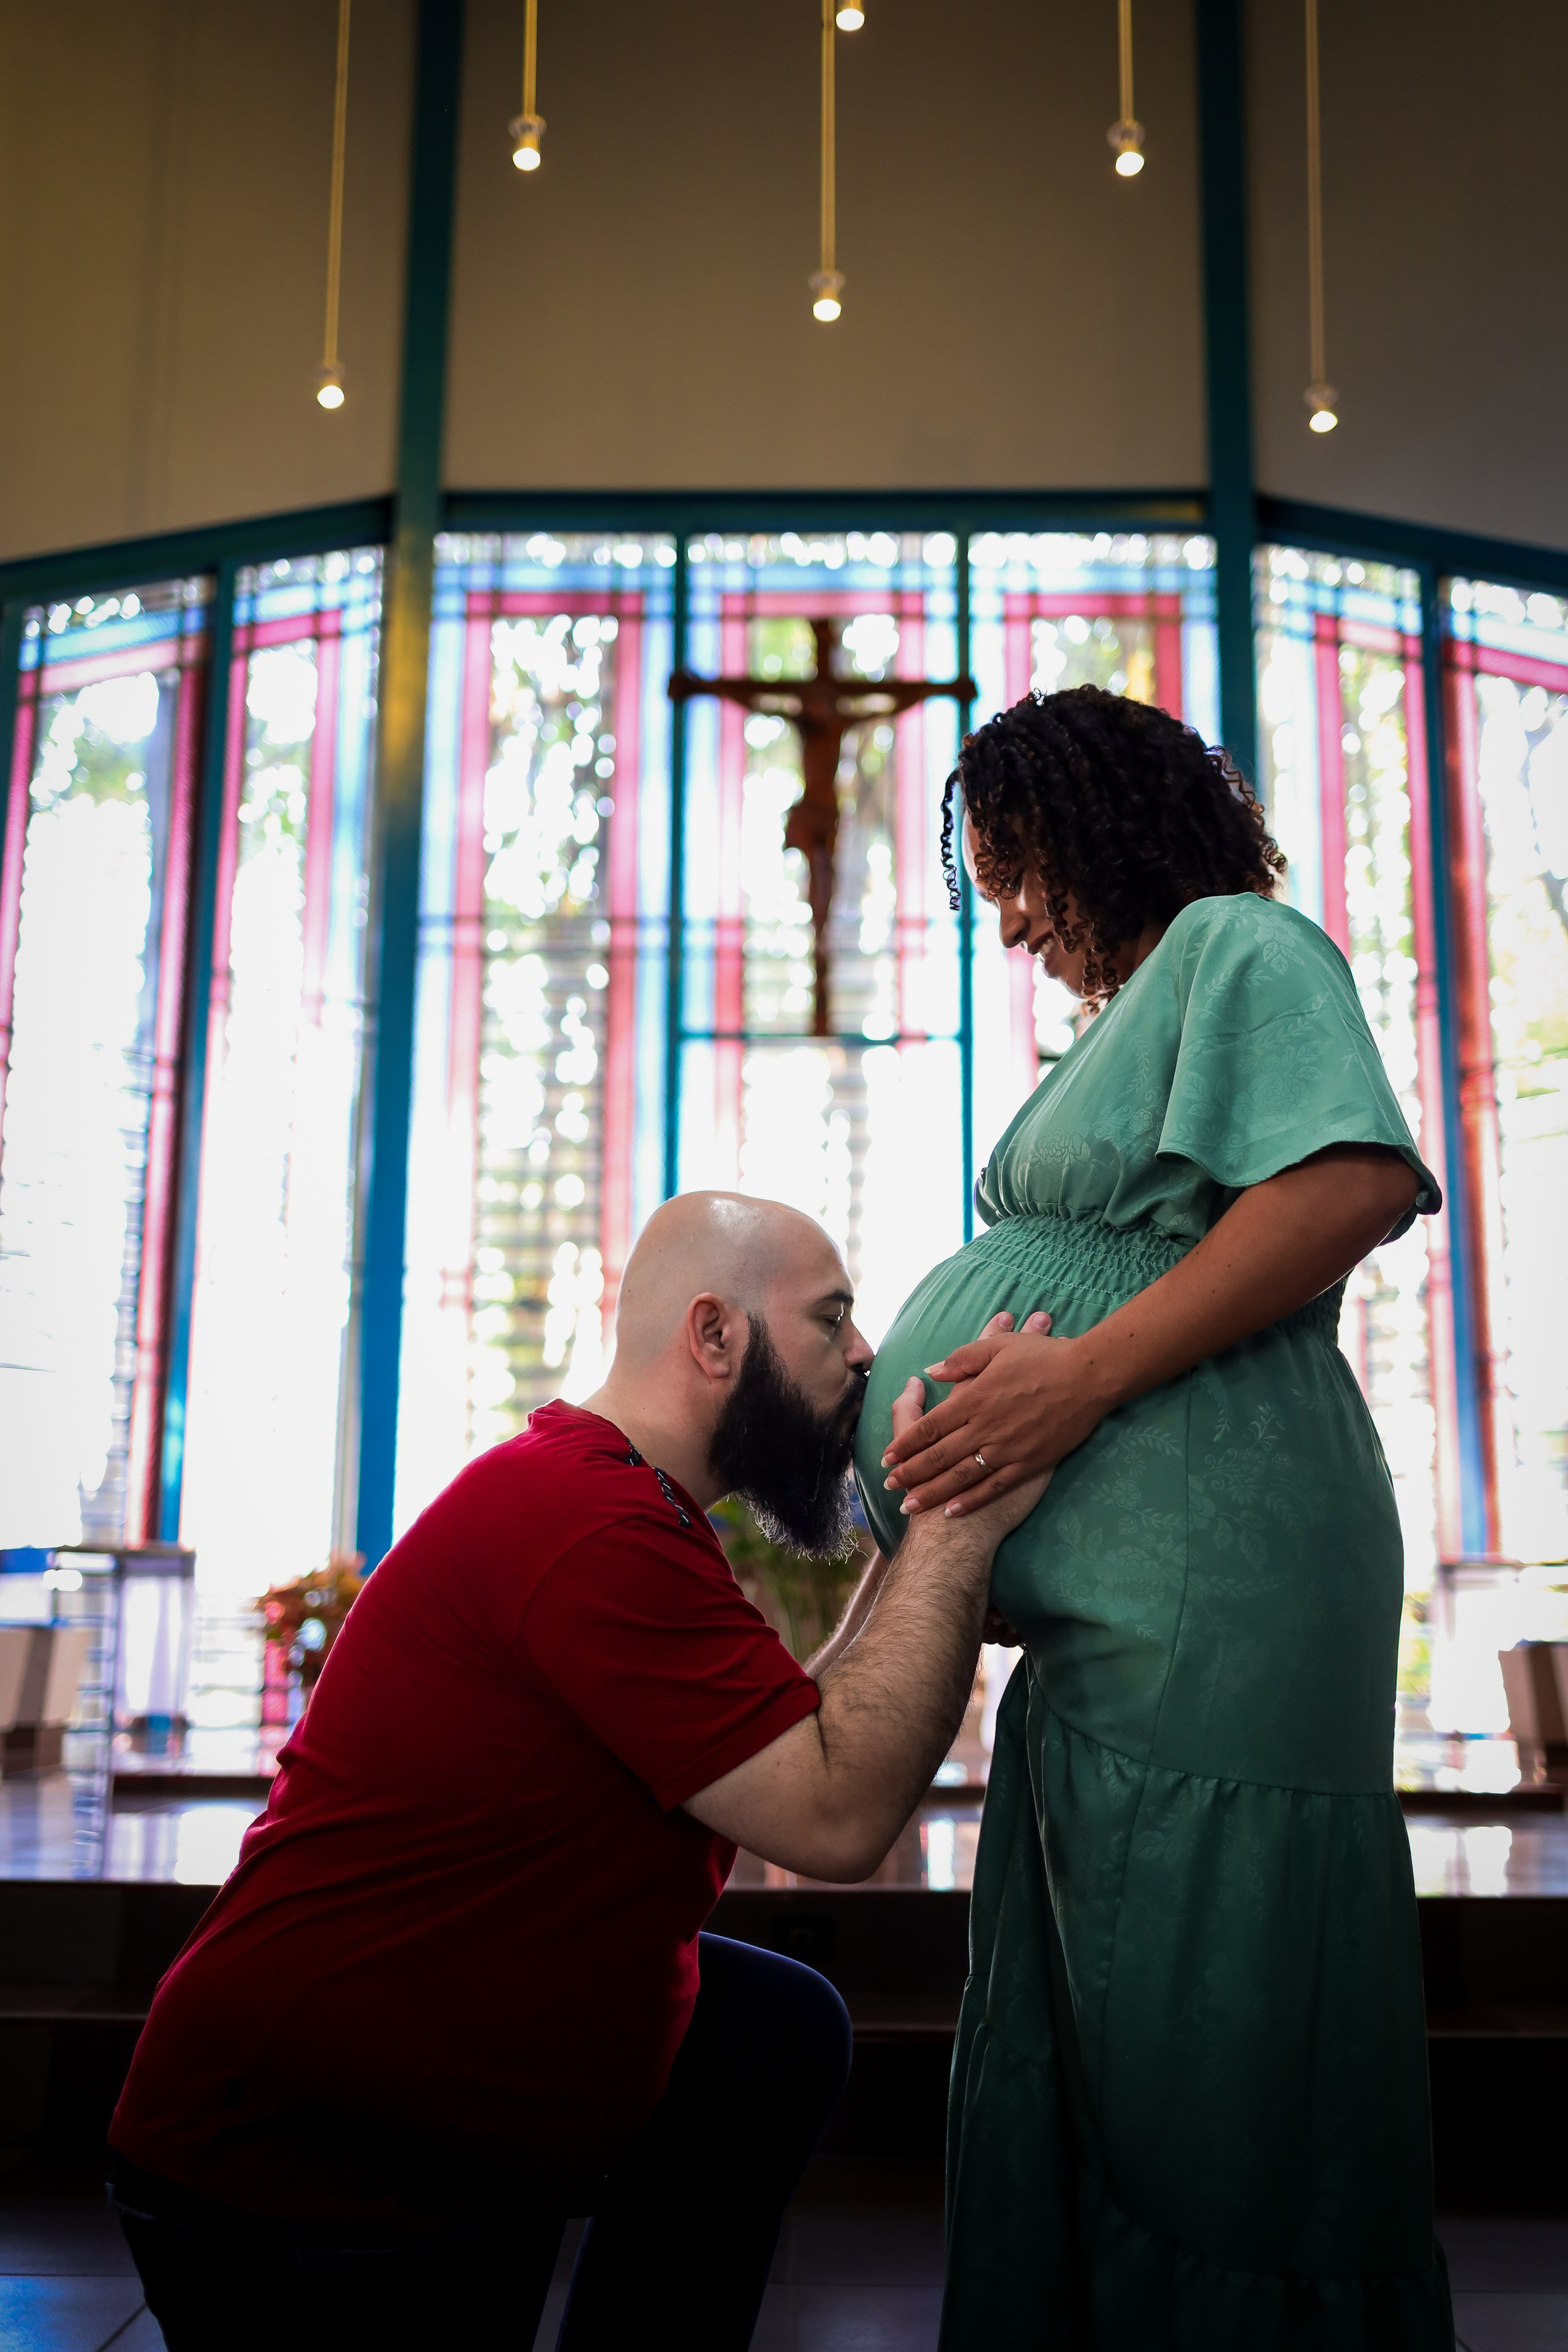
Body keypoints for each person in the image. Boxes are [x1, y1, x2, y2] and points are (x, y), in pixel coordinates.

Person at [109, 1191, 1044, 2352]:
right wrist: (961, 1521)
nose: (864, 1354)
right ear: (715, 1336)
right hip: (307, 2165)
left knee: (770, 2032)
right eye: (834, 1318)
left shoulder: (623, 1501)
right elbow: (838, 1816)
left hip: (437, 2070)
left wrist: (908, 1536)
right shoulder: (589, 1526)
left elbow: (792, 1733)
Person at [859, 686, 1455, 2349]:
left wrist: (1081, 1380)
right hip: (1125, 1607)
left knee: (1211, 2010)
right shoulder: (1141, 1013)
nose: (1016, 922)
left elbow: (1349, 1183)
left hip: (1225, 1587)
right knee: (1114, 2011)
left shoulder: (1242, 952)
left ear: (1097, 817)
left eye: (1016, 871)